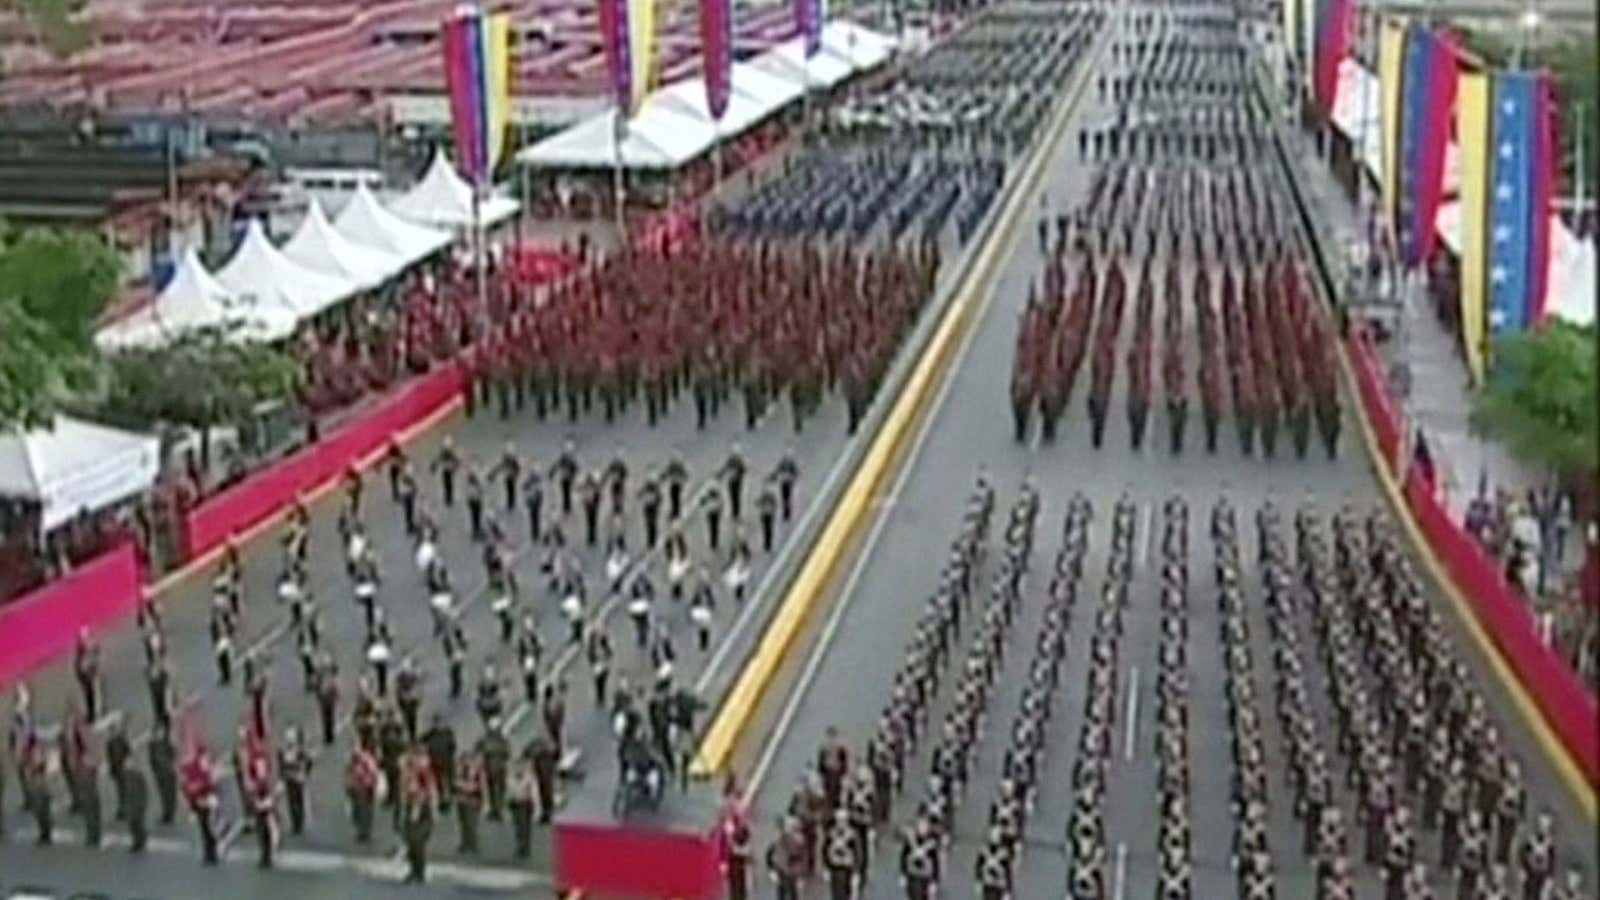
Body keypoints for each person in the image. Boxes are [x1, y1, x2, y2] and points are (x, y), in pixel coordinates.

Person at [279, 727, 311, 835]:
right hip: (289, 778)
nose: (289, 739)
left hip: (298, 778)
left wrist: (304, 773)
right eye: (287, 737)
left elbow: (308, 761)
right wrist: (282, 777)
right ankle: (294, 822)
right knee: (291, 801)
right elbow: (281, 766)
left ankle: (299, 821)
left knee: (299, 800)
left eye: (291, 737)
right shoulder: (283, 751)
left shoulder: (300, 751)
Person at [508, 753, 536, 858]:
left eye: (520, 766)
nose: (518, 768)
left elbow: (534, 791)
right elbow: (509, 791)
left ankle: (525, 848)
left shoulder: (529, 777)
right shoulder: (511, 776)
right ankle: (521, 847)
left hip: (525, 803)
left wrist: (536, 806)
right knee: (518, 827)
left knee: (525, 827)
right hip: (515, 804)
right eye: (517, 766)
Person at [123, 761, 150, 853]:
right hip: (131, 803)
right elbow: (127, 792)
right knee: (132, 823)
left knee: (137, 822)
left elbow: (143, 792)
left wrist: (142, 804)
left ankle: (139, 840)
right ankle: (137, 840)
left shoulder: (138, 777)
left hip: (138, 803)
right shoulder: (128, 778)